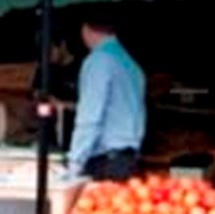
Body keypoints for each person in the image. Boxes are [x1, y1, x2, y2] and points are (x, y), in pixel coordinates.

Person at [67, 12, 146, 181]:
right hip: (128, 158)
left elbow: (90, 115)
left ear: (86, 29)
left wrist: (75, 161)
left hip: (106, 162)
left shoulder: (99, 61)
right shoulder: (131, 64)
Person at [33, 33, 79, 149]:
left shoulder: (81, 68)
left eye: (50, 50)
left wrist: (60, 104)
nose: (47, 55)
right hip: (49, 133)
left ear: (62, 45)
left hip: (75, 134)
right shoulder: (44, 68)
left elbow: (88, 107)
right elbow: (36, 95)